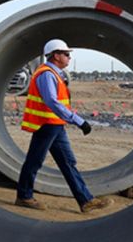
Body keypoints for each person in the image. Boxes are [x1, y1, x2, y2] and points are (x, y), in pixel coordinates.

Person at [14, 39, 112, 214]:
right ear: (56, 55)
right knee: (34, 161)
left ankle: (85, 200)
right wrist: (78, 121)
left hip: (56, 125)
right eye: (66, 54)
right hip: (46, 125)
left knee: (68, 162)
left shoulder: (55, 73)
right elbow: (52, 101)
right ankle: (24, 196)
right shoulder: (47, 74)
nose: (68, 57)